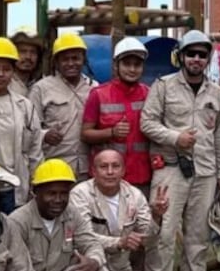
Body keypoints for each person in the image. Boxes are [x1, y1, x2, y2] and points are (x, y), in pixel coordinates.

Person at [140, 30, 220, 271]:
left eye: (202, 55)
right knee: (164, 233)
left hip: (205, 171)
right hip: (170, 169)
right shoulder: (163, 86)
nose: (196, 59)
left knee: (198, 234)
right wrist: (175, 137)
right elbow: (147, 123)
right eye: (191, 54)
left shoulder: (216, 92)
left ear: (208, 59)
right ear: (181, 56)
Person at [67, 148, 167, 271]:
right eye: (104, 167)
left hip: (119, 269)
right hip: (90, 268)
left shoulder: (135, 195)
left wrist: (156, 216)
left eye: (115, 166)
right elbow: (82, 237)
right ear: (93, 171)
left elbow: (148, 240)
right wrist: (119, 243)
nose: (110, 172)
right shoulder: (80, 194)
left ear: (123, 170)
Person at [0, 37, 39, 213]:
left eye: (7, 69)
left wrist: (36, 183)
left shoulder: (25, 106)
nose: (1, 74)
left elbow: (35, 151)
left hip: (16, 187)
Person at [81, 38, 153, 195]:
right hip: (107, 179)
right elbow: (85, 134)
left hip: (141, 177)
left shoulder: (150, 94)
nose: (132, 69)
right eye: (127, 64)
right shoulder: (98, 94)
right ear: (115, 65)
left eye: (137, 64)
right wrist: (111, 132)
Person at [30, 33, 97, 179]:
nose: (71, 63)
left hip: (88, 168)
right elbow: (28, 129)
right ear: (56, 62)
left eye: (76, 58)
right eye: (65, 59)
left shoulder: (94, 88)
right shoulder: (41, 89)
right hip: (54, 168)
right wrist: (44, 135)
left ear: (84, 60)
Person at [8, 26, 45, 97]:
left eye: (33, 52)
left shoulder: (44, 83)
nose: (28, 57)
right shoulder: (3, 82)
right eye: (23, 51)